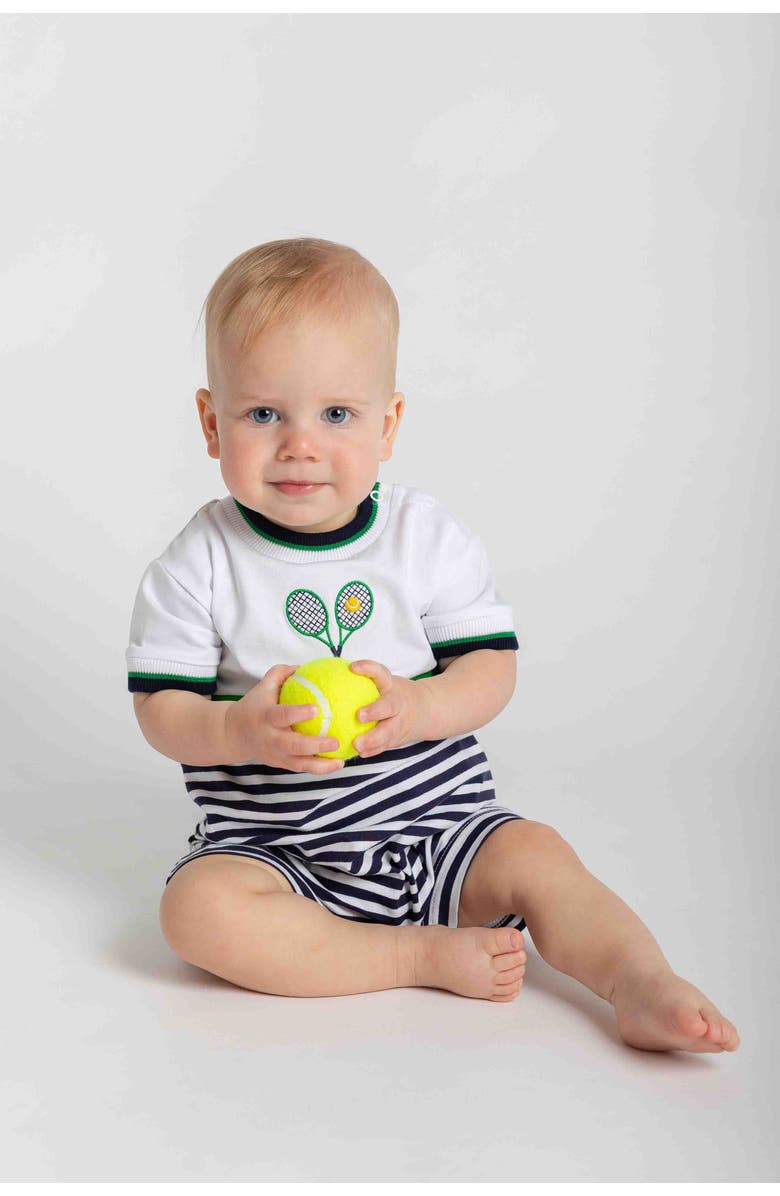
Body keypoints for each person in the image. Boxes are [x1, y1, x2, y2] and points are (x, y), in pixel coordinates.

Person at [127, 237, 739, 1053]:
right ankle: (411, 953)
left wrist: (419, 706)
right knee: (195, 913)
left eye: (336, 414)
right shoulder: (197, 561)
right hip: (275, 850)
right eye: (263, 413)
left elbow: (492, 667)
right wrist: (236, 731)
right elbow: (161, 709)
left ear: (390, 423)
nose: (300, 444)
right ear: (211, 422)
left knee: (539, 855)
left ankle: (639, 979)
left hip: (438, 823)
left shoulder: (422, 537)